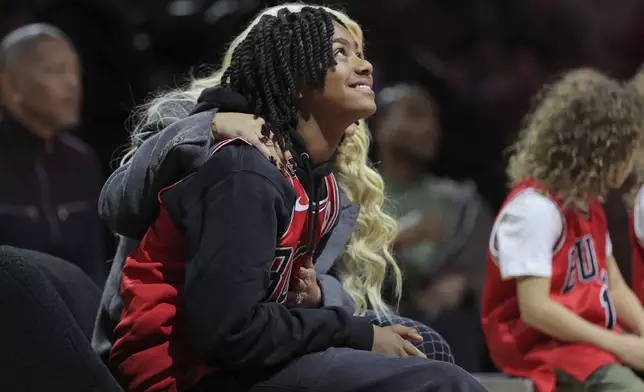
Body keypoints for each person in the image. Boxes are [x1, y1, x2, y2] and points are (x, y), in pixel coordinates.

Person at [102, 4, 484, 392]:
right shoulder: (242, 166)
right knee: (442, 384)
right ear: (295, 75)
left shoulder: (317, 177)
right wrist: (356, 334)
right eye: (341, 53)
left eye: (361, 53)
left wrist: (322, 302)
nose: (366, 66)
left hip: (246, 352)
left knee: (426, 351)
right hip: (187, 374)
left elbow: (297, 295)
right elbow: (227, 331)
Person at [482, 68, 644, 392]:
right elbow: (536, 311)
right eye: (628, 151)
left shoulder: (588, 205)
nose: (631, 163)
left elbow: (612, 283)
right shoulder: (534, 210)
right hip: (542, 348)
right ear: (599, 151)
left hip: (587, 343)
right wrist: (621, 346)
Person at [0, 23, 106, 286]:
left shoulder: (81, 160)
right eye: (55, 71)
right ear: (11, 85)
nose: (72, 83)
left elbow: (96, 265)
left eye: (74, 71)